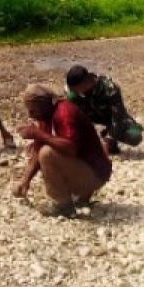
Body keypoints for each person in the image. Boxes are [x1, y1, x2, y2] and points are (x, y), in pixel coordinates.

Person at [12, 84, 112, 216]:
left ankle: (62, 206)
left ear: (44, 105)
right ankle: (81, 197)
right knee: (42, 149)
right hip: (89, 168)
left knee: (47, 154)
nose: (31, 115)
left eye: (33, 110)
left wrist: (38, 134)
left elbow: (71, 148)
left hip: (96, 173)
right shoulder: (47, 115)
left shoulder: (65, 112)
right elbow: (38, 147)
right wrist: (25, 180)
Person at [64, 65, 144, 154]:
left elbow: (118, 116)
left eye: (76, 89)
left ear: (86, 82)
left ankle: (110, 142)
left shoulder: (109, 88)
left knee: (134, 136)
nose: (74, 91)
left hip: (112, 120)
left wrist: (109, 138)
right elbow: (71, 117)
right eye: (72, 89)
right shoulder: (74, 94)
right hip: (92, 122)